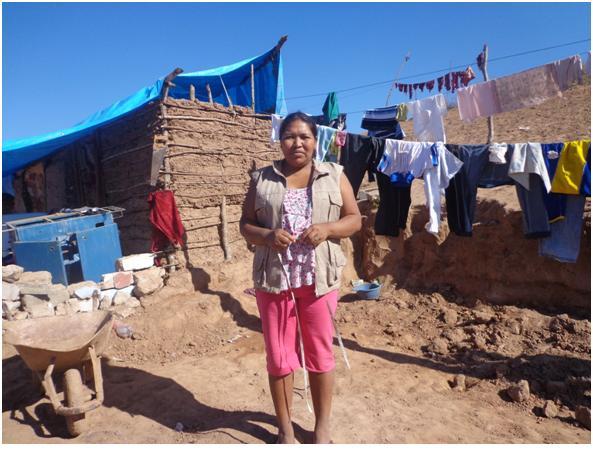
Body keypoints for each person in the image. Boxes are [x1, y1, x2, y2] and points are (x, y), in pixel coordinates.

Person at [240, 112, 362, 444]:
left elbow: (354, 219)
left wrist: (328, 229)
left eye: (304, 136)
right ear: (280, 141)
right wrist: (267, 236)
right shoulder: (261, 179)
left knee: (320, 354)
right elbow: (245, 225)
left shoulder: (334, 174)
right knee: (279, 358)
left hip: (318, 281)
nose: (297, 143)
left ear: (315, 140)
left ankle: (321, 428)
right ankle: (285, 430)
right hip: (275, 282)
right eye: (290, 136)